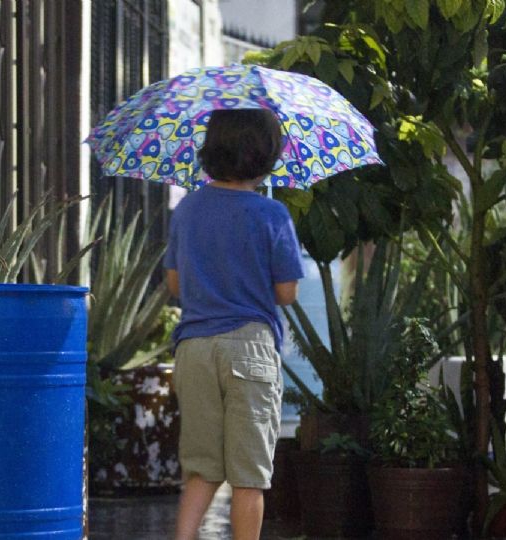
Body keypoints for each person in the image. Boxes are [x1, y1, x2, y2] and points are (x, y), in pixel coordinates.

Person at [164, 108, 305, 540]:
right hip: (250, 348)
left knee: (202, 470)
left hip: (195, 349)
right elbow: (286, 293)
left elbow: (174, 284)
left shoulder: (187, 208)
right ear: (266, 156)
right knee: (249, 476)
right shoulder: (271, 215)